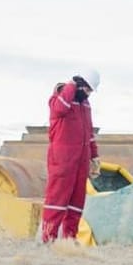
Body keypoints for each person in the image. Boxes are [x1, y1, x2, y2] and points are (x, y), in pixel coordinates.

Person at [41, 67, 101, 243]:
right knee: (57, 200)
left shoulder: (85, 104)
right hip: (62, 159)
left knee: (76, 203)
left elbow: (89, 132)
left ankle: (69, 239)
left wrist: (94, 156)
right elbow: (60, 109)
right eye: (88, 89)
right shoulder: (60, 98)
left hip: (81, 160)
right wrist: (71, 85)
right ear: (80, 84)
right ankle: (48, 240)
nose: (89, 94)